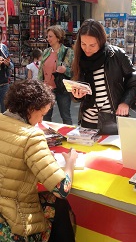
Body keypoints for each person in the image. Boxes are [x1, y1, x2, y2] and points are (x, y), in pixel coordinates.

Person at [0, 79, 78, 241]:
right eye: (41, 115)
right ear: (30, 109)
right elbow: (62, 189)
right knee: (59, 204)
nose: (41, 121)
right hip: (15, 220)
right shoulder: (32, 136)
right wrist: (70, 163)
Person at [71, 19, 136, 129]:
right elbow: (77, 91)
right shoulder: (79, 58)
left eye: (92, 45)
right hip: (87, 121)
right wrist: (77, 95)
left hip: (113, 119)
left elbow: (135, 81)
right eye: (83, 44)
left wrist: (126, 102)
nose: (87, 49)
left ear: (101, 41)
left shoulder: (117, 55)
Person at [38, 25, 74, 124]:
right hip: (47, 89)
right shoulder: (46, 52)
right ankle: (47, 137)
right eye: (47, 36)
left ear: (58, 37)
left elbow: (74, 71)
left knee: (65, 116)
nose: (48, 39)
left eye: (50, 36)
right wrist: (39, 85)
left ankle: (68, 136)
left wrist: (65, 70)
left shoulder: (68, 52)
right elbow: (41, 70)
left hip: (62, 88)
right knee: (45, 117)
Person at [0, 26, 14, 113]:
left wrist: (8, 63)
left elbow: (11, 65)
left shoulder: (3, 47)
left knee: (6, 111)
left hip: (4, 83)